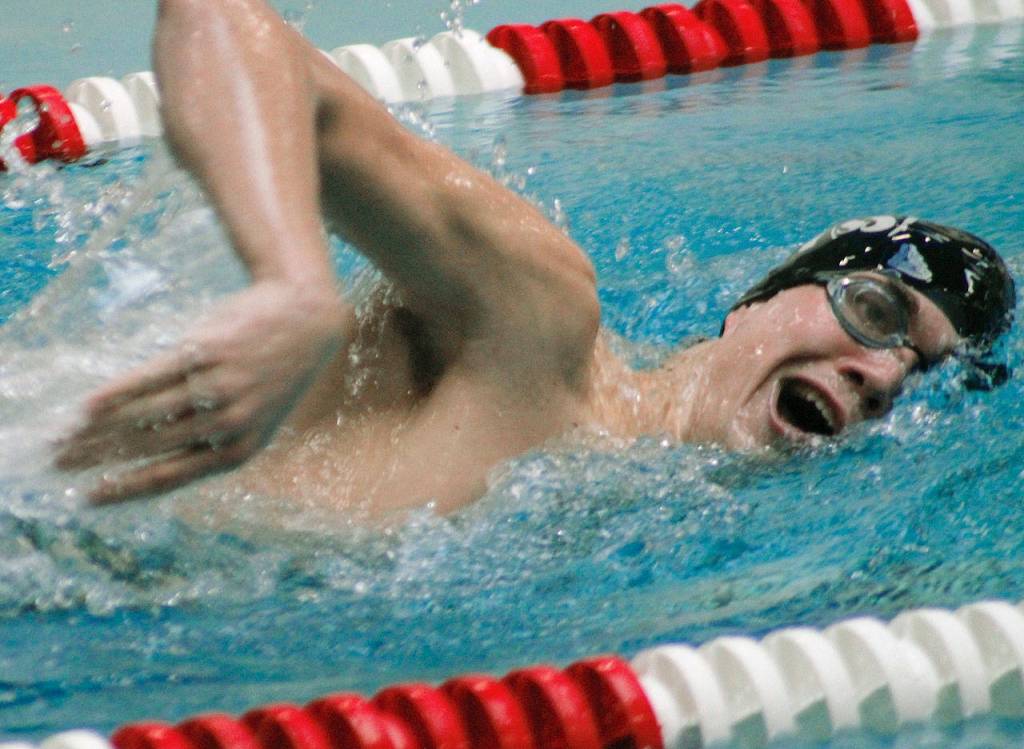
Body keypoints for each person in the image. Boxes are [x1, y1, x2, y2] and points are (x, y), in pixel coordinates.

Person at [55, 0, 1014, 518]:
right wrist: (290, 280)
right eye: (877, 311)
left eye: (918, 369)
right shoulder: (539, 318)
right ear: (762, 300)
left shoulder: (612, 509)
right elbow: (221, 22)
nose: (885, 373)